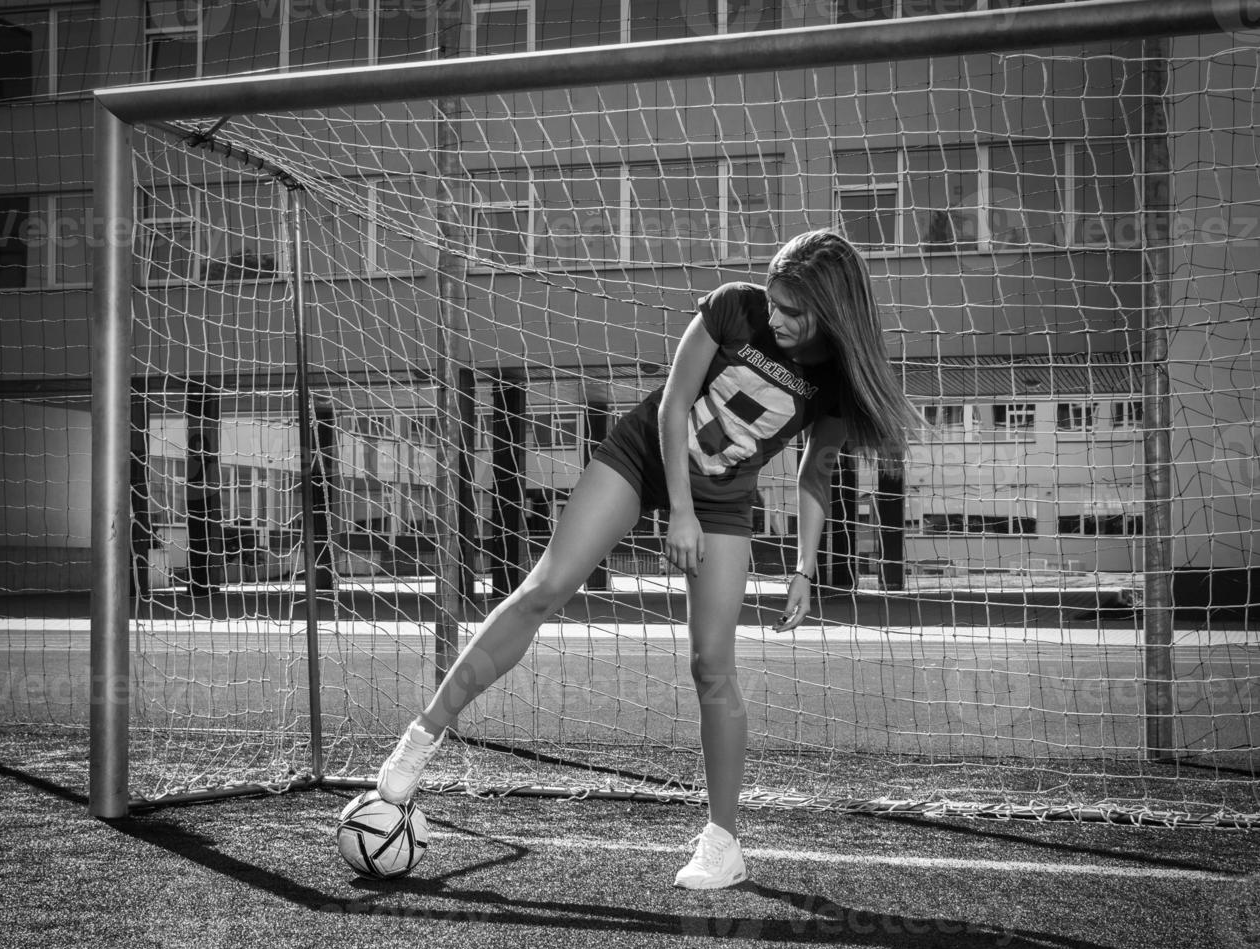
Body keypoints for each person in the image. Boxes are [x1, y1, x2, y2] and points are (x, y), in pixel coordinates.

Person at [376, 228, 922, 889]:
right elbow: (672, 405)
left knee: (712, 666)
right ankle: (419, 740)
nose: (775, 318)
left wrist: (804, 569)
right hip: (643, 457)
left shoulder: (836, 380)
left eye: (792, 311)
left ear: (832, 313)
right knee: (545, 589)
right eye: (774, 302)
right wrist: (680, 510)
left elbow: (815, 473)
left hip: (724, 500)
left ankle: (723, 843)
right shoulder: (732, 307)